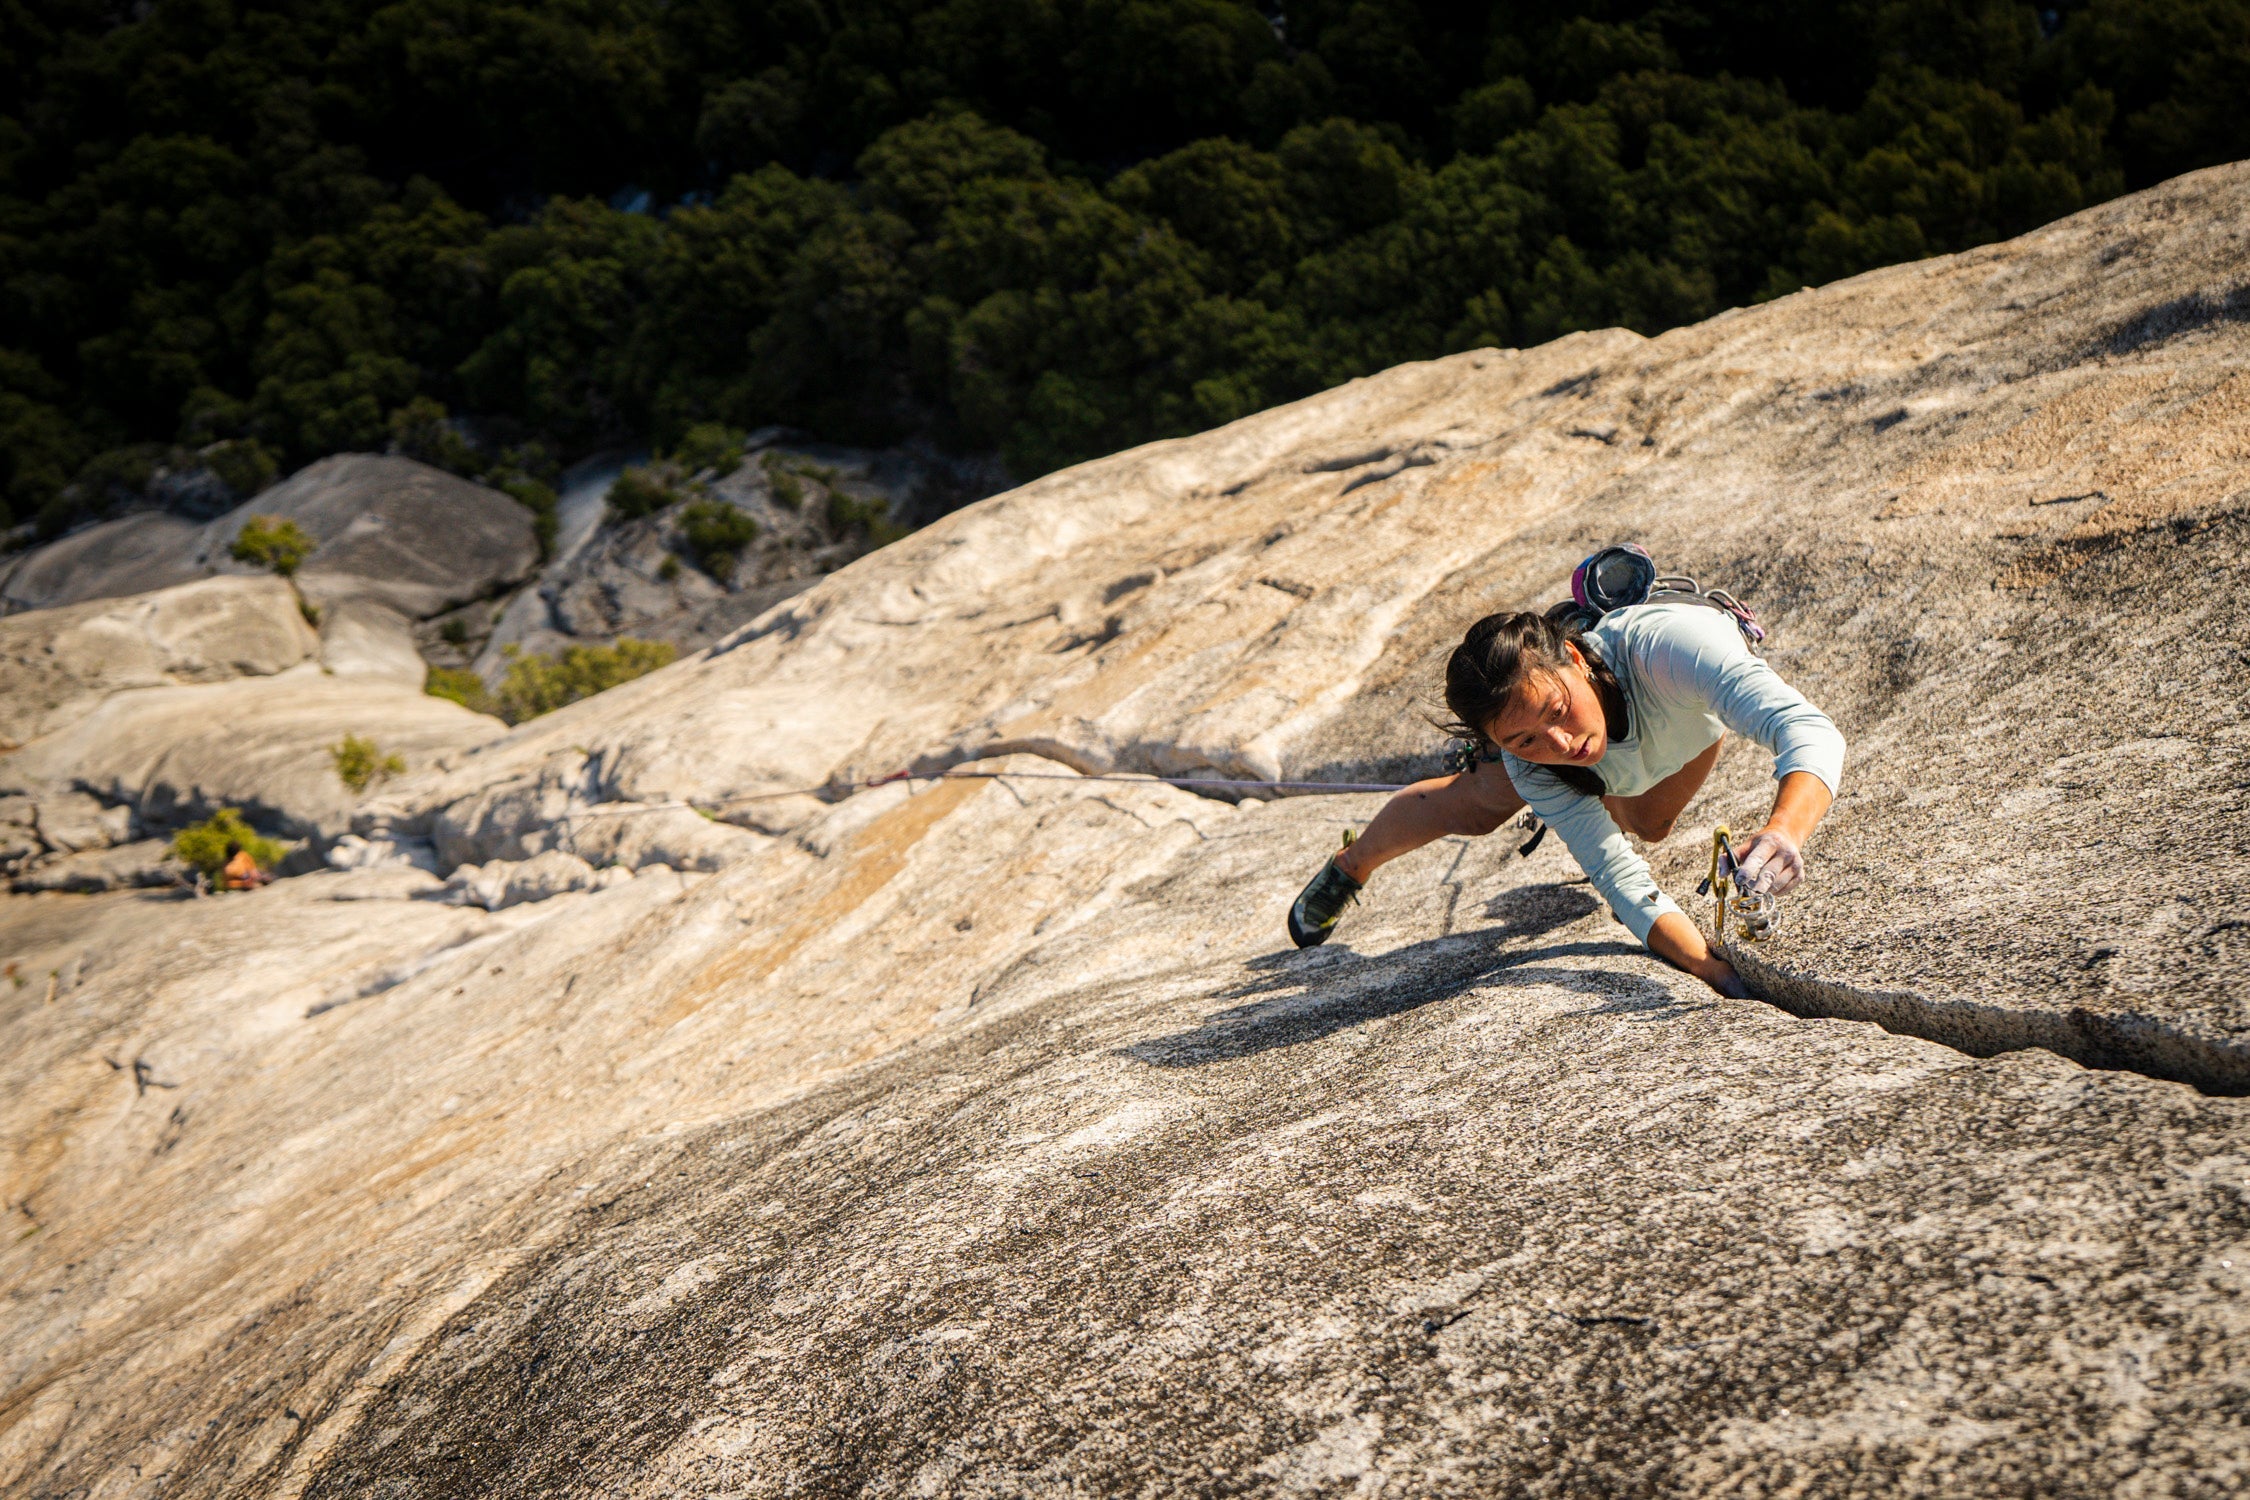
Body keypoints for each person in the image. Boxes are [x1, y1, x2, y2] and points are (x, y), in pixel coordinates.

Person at [1287, 601, 1845, 996]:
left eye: (1557, 711)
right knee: (1476, 804)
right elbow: (1620, 881)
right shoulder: (1531, 764)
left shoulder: (1672, 649)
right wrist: (1707, 967)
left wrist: (1785, 830)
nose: (1560, 743)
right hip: (1625, 751)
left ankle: (1587, 799)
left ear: (1576, 660)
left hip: (1681, 720)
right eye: (1521, 738)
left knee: (1651, 826)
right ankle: (1351, 865)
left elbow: (1808, 730)